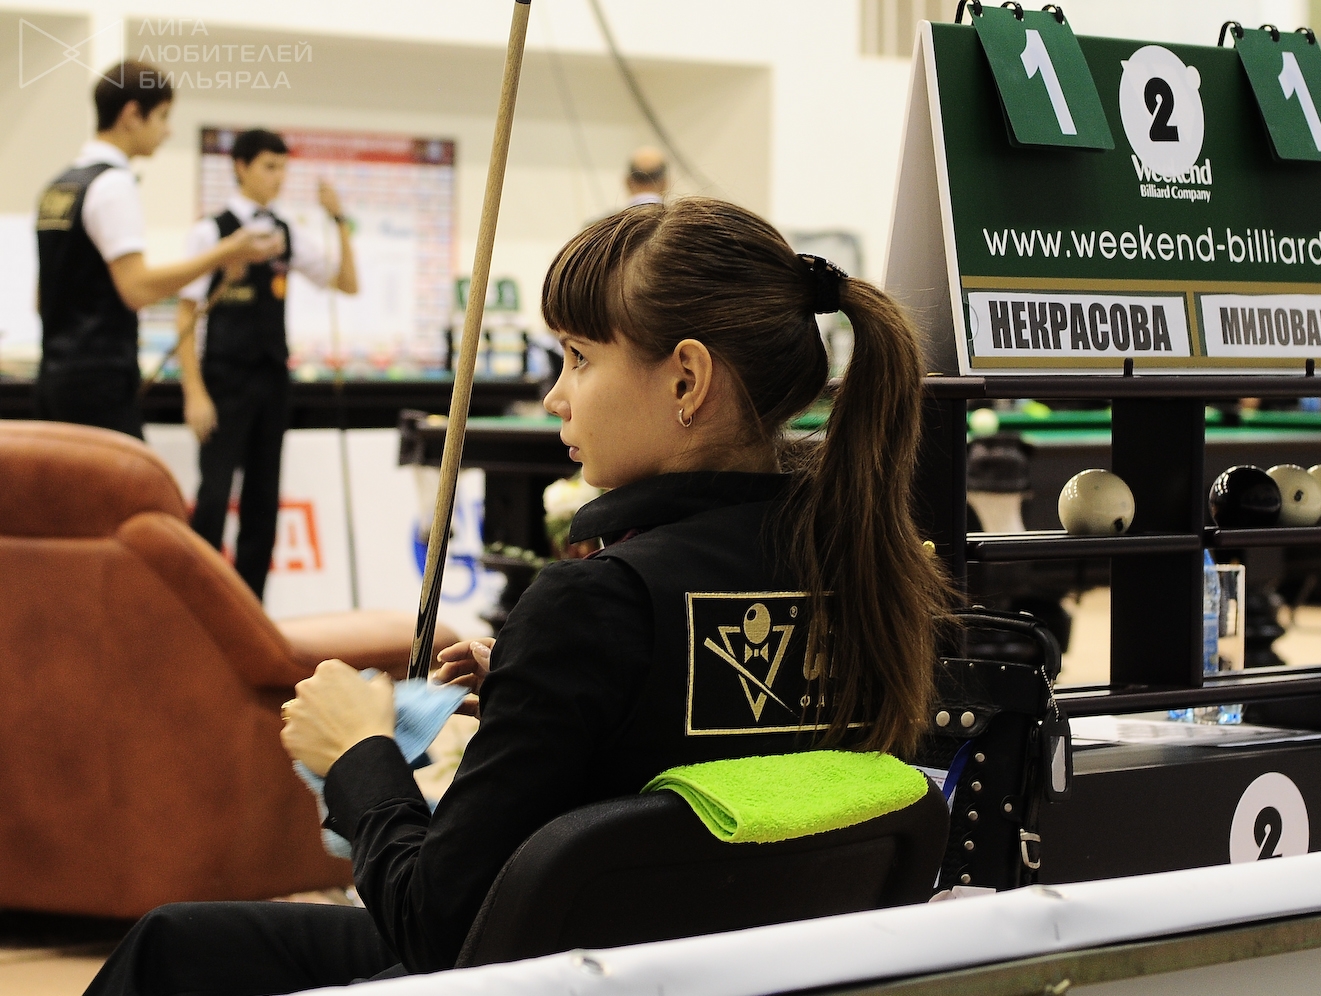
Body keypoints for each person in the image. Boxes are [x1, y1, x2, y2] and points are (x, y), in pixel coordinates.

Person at [83, 197, 953, 995]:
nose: (555, 395)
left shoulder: (599, 604)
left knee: (169, 956)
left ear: (687, 380)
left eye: (580, 358)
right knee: (177, 943)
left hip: (559, 978)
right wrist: (540, 691)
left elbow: (436, 929)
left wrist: (359, 754)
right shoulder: (868, 570)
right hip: (721, 970)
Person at [34, 61, 281, 439]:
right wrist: (225, 252)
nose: (168, 131)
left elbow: (41, 298)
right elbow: (137, 289)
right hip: (98, 382)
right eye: (163, 116)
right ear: (132, 115)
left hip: (54, 377)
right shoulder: (113, 185)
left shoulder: (59, 186)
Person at [177, 129, 359, 600]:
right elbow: (186, 316)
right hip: (223, 379)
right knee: (214, 496)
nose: (278, 178)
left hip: (273, 377)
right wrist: (194, 392)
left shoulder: (285, 232)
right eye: (269, 167)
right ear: (241, 167)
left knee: (263, 500)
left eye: (283, 168)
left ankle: (251, 609)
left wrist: (338, 219)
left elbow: (346, 282)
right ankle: (198, 604)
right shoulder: (211, 231)